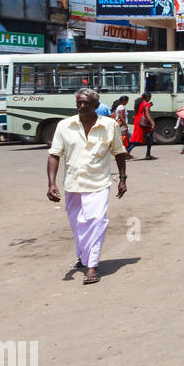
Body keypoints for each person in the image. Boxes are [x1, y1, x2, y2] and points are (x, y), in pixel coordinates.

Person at [46, 88, 128, 285]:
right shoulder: (64, 126)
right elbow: (54, 154)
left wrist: (123, 179)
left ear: (96, 106)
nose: (82, 106)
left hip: (99, 183)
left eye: (86, 103)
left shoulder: (109, 125)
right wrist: (51, 183)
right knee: (78, 225)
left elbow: (119, 152)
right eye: (79, 103)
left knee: (97, 220)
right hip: (73, 184)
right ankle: (83, 256)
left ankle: (92, 265)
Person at [129, 93, 156, 160]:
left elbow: (142, 111)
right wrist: (152, 123)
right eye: (150, 97)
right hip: (144, 123)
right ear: (147, 97)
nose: (150, 98)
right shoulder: (146, 104)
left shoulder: (139, 103)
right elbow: (147, 114)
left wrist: (150, 106)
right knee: (140, 139)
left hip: (138, 121)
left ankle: (148, 154)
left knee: (141, 138)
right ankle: (126, 152)